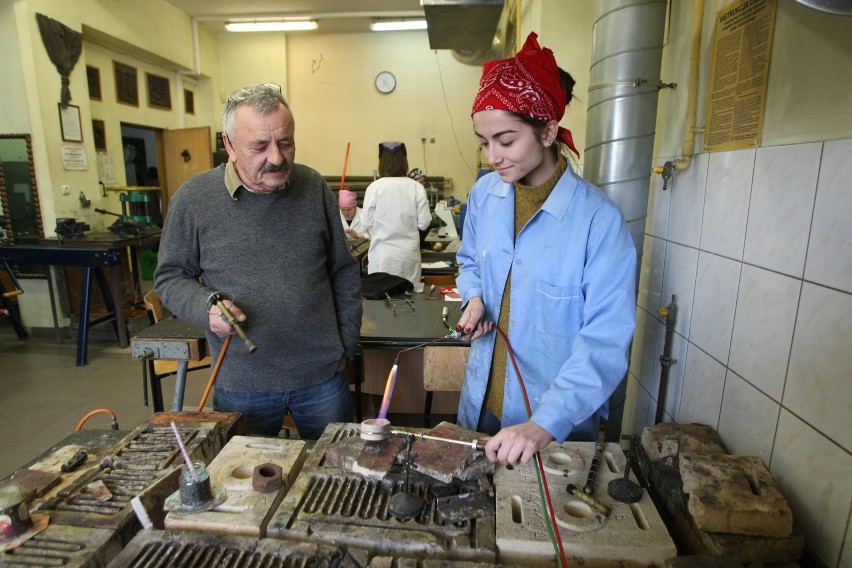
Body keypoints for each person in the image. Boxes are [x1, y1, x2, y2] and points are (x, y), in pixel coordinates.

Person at [455, 33, 636, 466]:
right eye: (484, 142)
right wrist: (475, 297)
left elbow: (604, 344)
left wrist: (545, 423)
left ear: (548, 131)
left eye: (506, 139)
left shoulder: (598, 222)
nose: (493, 156)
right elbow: (468, 262)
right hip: (481, 405)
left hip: (552, 426)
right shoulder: (485, 195)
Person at [154, 83, 362, 439]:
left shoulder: (312, 187)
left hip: (321, 375)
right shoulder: (194, 199)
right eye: (260, 146)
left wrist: (345, 342)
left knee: (337, 471)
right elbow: (170, 277)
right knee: (242, 483)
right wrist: (206, 310)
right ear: (229, 145)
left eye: (285, 142)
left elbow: (342, 270)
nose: (278, 158)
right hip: (242, 381)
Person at [362, 142, 431, 290]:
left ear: (381, 162)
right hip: (408, 258)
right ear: (404, 161)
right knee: (410, 302)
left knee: (380, 305)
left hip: (382, 258)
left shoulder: (374, 187)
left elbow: (366, 222)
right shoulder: (416, 187)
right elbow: (424, 223)